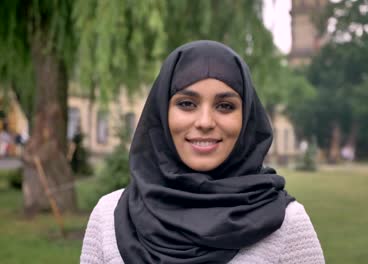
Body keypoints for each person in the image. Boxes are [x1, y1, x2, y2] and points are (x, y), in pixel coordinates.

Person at [80, 40, 325, 264]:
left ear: (247, 119)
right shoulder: (108, 216)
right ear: (162, 114)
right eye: (187, 104)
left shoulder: (287, 224)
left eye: (225, 106)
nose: (205, 122)